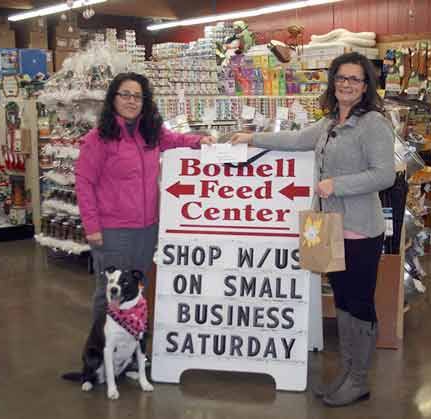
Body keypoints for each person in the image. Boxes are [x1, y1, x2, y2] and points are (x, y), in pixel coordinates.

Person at [231, 52, 395, 407]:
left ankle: (359, 378)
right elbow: (296, 140)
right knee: (343, 301)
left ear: (366, 86)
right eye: (341, 78)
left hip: (361, 230)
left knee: (359, 302)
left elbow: (384, 174)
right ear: (333, 82)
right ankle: (348, 372)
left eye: (354, 79)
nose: (346, 85)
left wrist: (337, 185)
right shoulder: (330, 122)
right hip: (329, 228)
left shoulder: (374, 124)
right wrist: (252, 138)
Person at [75, 72, 215, 320]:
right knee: (110, 292)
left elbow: (174, 139)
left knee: (137, 290)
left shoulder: (150, 132)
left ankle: (134, 348)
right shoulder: (98, 139)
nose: (131, 101)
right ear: (113, 99)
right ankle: (101, 351)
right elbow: (84, 183)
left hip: (147, 228)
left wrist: (199, 141)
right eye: (125, 95)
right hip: (112, 230)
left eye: (138, 97)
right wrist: (92, 227)